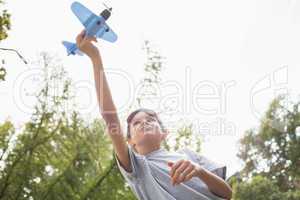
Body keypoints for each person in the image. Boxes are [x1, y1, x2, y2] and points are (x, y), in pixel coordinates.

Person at [76, 30, 232, 200]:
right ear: (130, 142)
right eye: (136, 123)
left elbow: (227, 193)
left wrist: (200, 171)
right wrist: (95, 58)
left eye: (151, 119)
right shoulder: (137, 166)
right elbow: (110, 117)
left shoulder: (188, 155)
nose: (144, 123)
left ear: (164, 133)